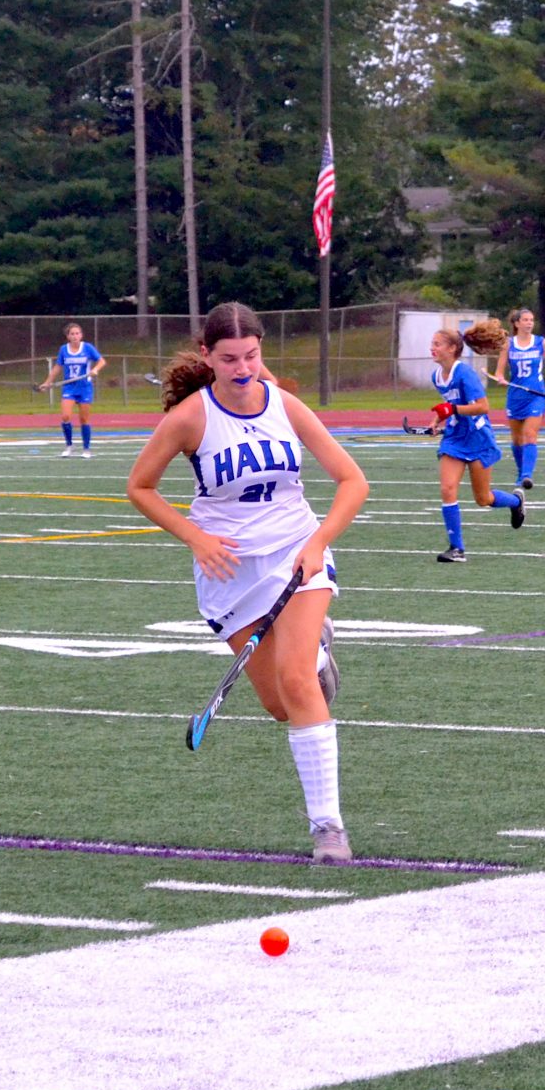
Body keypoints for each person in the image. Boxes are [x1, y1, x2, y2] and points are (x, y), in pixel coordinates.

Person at [125, 301, 371, 862]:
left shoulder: (284, 405)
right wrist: (196, 538)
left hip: (295, 554)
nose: (243, 368)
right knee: (279, 704)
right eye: (230, 358)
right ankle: (316, 655)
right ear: (208, 357)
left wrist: (316, 544)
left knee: (297, 684)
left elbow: (352, 480)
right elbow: (140, 487)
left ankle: (328, 828)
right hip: (231, 571)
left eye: (252, 356)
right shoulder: (190, 417)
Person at [426, 321, 523, 563]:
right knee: (447, 489)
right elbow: (449, 406)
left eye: (437, 344)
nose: (432, 348)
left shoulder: (465, 373)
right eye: (432, 344)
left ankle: (516, 501)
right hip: (455, 439)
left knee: (483, 499)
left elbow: (483, 406)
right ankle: (456, 548)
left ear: (452, 349)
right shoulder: (437, 376)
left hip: (478, 439)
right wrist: (438, 419)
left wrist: (452, 409)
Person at [500, 307, 545, 490]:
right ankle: (520, 472)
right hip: (516, 397)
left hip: (536, 396)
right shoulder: (508, 344)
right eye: (525, 320)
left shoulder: (542, 343)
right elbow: (499, 371)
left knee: (530, 435)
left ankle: (527, 476)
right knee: (517, 439)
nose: (529, 323)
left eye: (531, 320)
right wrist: (500, 378)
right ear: (517, 323)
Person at [39, 323, 108, 457]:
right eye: (72, 334)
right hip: (69, 387)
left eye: (77, 333)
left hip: (84, 388)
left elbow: (101, 361)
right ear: (68, 336)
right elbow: (58, 367)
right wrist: (47, 383)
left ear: (81, 335)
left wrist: (95, 369)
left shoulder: (87, 348)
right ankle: (69, 446)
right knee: (65, 416)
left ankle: (86, 449)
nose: (75, 336)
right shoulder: (64, 350)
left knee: (84, 419)